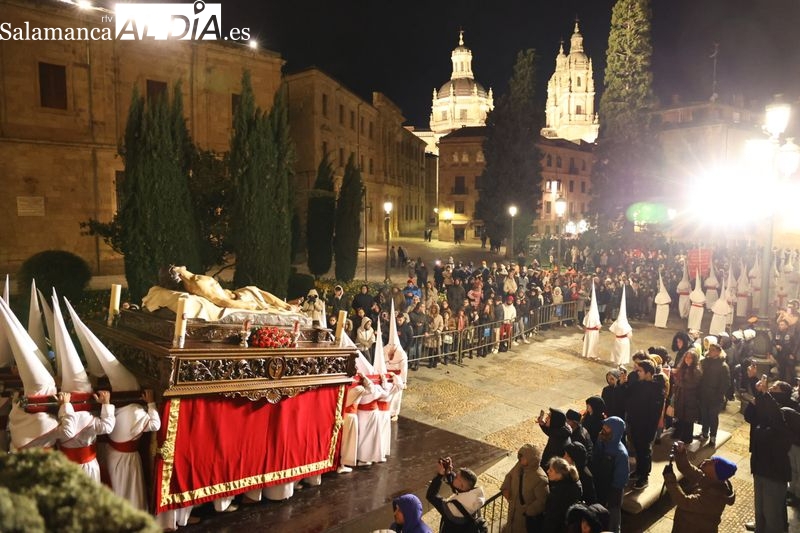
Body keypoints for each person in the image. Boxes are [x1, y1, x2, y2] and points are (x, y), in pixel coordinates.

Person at [662, 441, 737, 533]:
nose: (706, 460)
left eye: (711, 463)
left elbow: (684, 502)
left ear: (716, 473)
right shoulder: (708, 478)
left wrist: (670, 479)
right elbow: (687, 469)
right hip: (686, 526)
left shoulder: (714, 497)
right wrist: (680, 453)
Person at [160, 265, 295, 312]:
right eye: (175, 266)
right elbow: (221, 301)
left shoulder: (194, 280)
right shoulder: (196, 284)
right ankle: (288, 308)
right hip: (239, 298)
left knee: (254, 290)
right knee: (255, 290)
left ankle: (287, 306)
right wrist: (249, 306)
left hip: (236, 294)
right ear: (176, 273)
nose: (178, 265)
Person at [57, 390, 115, 482]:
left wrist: (65, 406)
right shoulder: (86, 417)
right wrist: (106, 403)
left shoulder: (57, 419)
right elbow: (107, 427)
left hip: (66, 467)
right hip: (89, 467)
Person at [624, 358, 665, 489]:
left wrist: (650, 430)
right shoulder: (638, 384)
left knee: (644, 451)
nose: (637, 373)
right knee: (637, 449)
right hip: (635, 423)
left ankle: (644, 476)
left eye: (640, 371)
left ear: (648, 373)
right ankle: (639, 471)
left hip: (646, 427)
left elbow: (654, 414)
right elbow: (628, 396)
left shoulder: (656, 389)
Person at [426, 459, 486, 533]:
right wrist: (448, 473)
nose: (454, 477)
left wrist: (440, 475)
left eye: (456, 477)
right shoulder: (474, 498)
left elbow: (431, 495)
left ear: (462, 486)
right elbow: (459, 489)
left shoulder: (454, 509)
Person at [592, 417, 629, 533]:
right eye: (604, 426)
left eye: (607, 428)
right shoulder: (601, 440)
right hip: (599, 485)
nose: (603, 429)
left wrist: (611, 496)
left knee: (612, 520)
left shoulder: (621, 454)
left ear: (615, 431)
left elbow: (621, 479)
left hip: (612, 492)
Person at [501, 443, 549, 533]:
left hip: (524, 518)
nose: (520, 459)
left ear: (531, 459)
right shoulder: (519, 466)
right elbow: (509, 475)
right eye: (520, 456)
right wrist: (506, 488)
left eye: (523, 457)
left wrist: (528, 511)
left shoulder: (540, 478)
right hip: (513, 510)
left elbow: (542, 501)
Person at [698, 341, 730, 447]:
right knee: (704, 415)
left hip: (715, 396)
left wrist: (719, 395)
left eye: (713, 350)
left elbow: (725, 383)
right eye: (709, 350)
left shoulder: (723, 366)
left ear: (718, 352)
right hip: (704, 393)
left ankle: (713, 436)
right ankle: (704, 433)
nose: (710, 352)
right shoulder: (706, 362)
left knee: (712, 416)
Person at [542, 457, 582, 533]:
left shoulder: (558, 493)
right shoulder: (574, 485)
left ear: (559, 474)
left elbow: (553, 518)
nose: (547, 471)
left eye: (551, 470)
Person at [672, 348, 702, 444]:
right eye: (686, 357)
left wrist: (679, 382)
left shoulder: (696, 370)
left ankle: (687, 437)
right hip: (681, 396)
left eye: (690, 358)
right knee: (680, 416)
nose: (688, 359)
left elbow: (692, 384)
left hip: (690, 398)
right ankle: (679, 433)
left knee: (688, 418)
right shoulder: (682, 368)